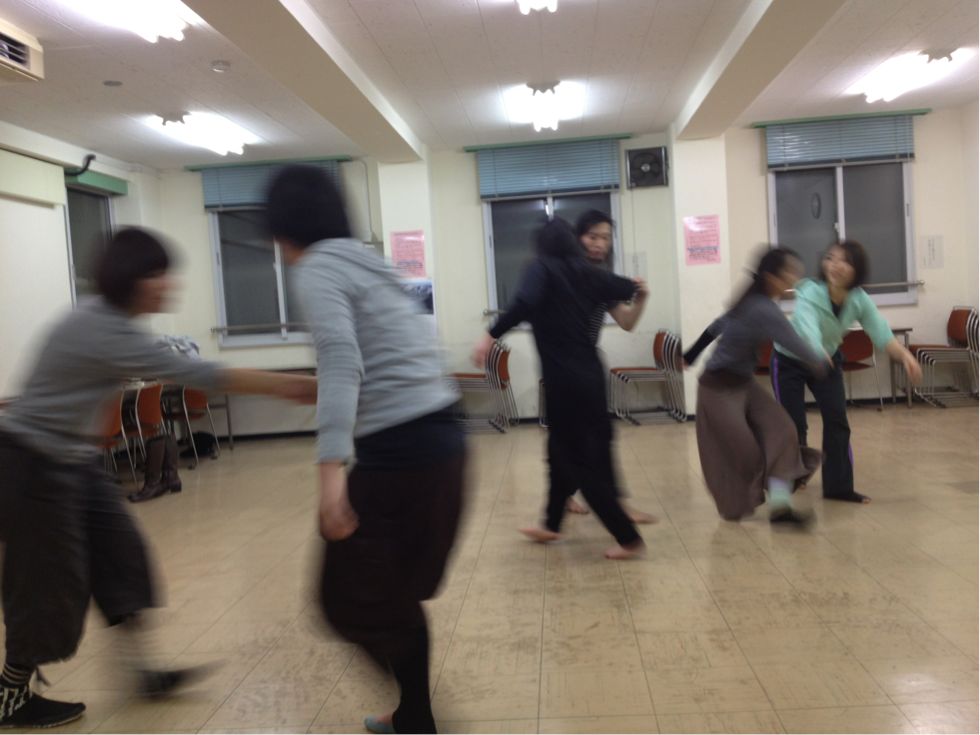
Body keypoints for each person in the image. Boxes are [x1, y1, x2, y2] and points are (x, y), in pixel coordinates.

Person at [0, 228, 317, 729]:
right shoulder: (103, 328)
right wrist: (292, 386)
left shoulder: (114, 324)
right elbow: (201, 374)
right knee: (48, 587)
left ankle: (141, 672)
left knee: (122, 555)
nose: (167, 285)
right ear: (129, 277)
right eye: (157, 274)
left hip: (73, 461)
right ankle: (11, 694)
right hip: (32, 463)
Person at [266, 165, 466, 735]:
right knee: (394, 593)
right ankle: (415, 716)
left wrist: (330, 473)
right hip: (445, 441)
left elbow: (340, 358)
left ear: (282, 229)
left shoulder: (316, 267)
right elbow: (384, 355)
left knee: (347, 598)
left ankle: (418, 719)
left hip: (400, 453)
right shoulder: (367, 260)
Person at [473, 218, 644, 559]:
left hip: (564, 381)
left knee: (578, 461)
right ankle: (551, 524)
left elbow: (523, 303)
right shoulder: (587, 273)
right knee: (560, 452)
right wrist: (639, 287)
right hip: (590, 377)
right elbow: (627, 287)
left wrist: (489, 336)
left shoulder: (541, 268)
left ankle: (628, 538)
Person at [683, 246, 828, 525]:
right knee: (747, 453)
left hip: (744, 384)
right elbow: (791, 340)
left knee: (782, 432)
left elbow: (717, 326)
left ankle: (780, 509)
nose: (794, 279)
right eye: (790, 273)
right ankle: (741, 504)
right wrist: (819, 364)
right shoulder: (761, 308)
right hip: (717, 388)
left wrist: (691, 354)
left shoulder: (753, 302)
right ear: (772, 277)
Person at [771, 240, 922, 504]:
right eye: (830, 258)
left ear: (857, 270)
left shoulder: (859, 299)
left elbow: (881, 333)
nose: (835, 265)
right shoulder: (810, 291)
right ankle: (791, 476)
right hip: (789, 360)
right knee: (793, 424)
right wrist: (816, 350)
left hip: (827, 360)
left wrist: (905, 356)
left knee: (837, 421)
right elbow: (807, 325)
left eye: (845, 261)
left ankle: (838, 488)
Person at [562, 210, 654, 523]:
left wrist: (641, 300)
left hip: (587, 362)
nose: (600, 244)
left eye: (605, 238)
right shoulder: (566, 274)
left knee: (586, 434)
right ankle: (612, 504)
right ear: (577, 238)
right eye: (592, 236)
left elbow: (626, 322)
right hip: (566, 365)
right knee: (588, 434)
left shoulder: (602, 279)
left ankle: (566, 495)